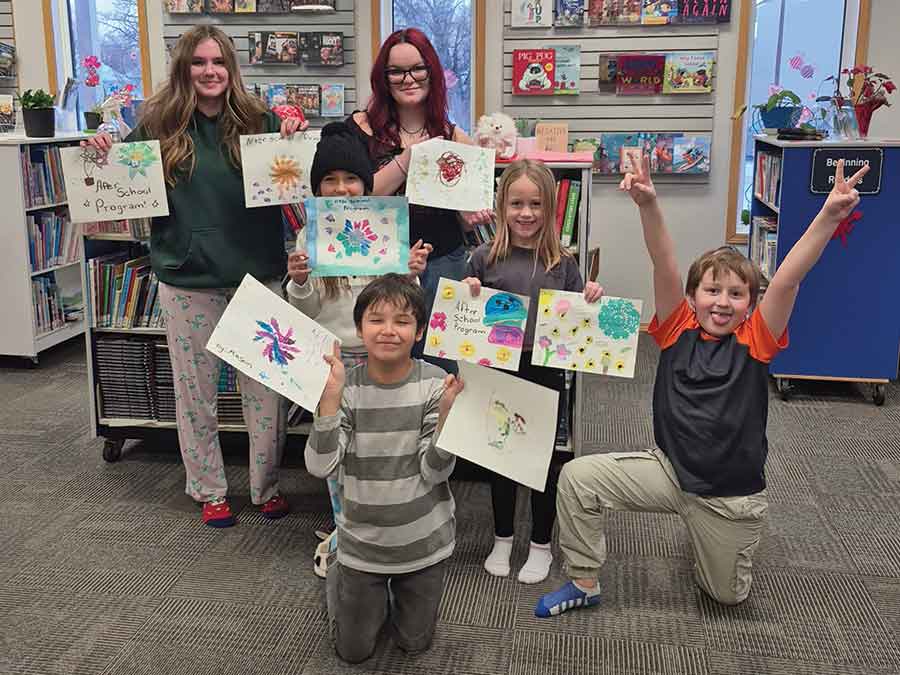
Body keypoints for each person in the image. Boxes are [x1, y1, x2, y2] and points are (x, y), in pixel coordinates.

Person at [535, 155, 869, 617]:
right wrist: (648, 204)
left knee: (726, 596)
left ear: (751, 304)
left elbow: (789, 279)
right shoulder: (676, 328)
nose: (723, 302)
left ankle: (717, 542)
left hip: (727, 496)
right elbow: (663, 260)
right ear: (692, 297)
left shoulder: (756, 341)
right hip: (670, 472)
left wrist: (829, 215)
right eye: (712, 290)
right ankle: (584, 580)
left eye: (737, 294)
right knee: (577, 479)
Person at [83, 25, 307, 528]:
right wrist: (101, 151)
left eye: (218, 62)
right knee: (195, 395)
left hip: (257, 276)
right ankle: (209, 489)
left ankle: (266, 486)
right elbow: (116, 179)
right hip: (187, 279)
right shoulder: (158, 124)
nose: (210, 71)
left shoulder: (261, 121)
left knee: (266, 394)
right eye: (199, 62)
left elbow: (296, 179)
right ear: (184, 69)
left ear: (232, 68)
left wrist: (295, 132)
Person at [284, 120, 431, 577]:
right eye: (329, 180)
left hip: (380, 360)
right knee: (337, 448)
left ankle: (376, 526)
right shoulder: (309, 236)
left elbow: (402, 305)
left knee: (377, 449)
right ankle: (344, 529)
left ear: (367, 184)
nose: (341, 189)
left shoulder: (383, 227)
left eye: (351, 179)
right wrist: (300, 281)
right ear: (316, 188)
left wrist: (411, 274)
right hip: (332, 362)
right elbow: (305, 310)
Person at [305, 274, 464, 663]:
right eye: (376, 320)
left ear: (420, 331)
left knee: (415, 643)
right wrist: (328, 403)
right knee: (353, 651)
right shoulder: (345, 387)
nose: (389, 330)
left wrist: (447, 421)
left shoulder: (434, 384)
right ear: (359, 329)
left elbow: (435, 471)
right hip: (362, 546)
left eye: (402, 321)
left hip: (424, 544)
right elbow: (320, 465)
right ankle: (338, 568)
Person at [461, 159, 603, 584]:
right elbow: (467, 314)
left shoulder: (563, 262)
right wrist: (469, 292)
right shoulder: (484, 257)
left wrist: (591, 295)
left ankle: (541, 544)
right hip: (500, 368)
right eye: (517, 203)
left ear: (550, 209)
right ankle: (503, 538)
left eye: (536, 204)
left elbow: (578, 316)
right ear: (502, 206)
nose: (526, 213)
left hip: (546, 367)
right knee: (500, 454)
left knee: (544, 458)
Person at [344, 28, 492, 367]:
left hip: (441, 263)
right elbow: (356, 196)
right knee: (382, 363)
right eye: (396, 71)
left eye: (417, 69)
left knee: (441, 365)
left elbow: (470, 217)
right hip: (377, 265)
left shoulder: (455, 137)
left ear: (432, 72)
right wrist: (410, 158)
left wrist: (468, 215)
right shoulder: (359, 128)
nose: (408, 79)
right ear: (383, 78)